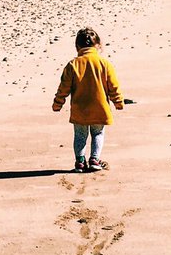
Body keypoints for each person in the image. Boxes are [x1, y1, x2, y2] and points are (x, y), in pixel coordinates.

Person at [52, 27, 124, 172]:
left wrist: (58, 103)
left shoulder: (73, 65)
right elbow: (113, 86)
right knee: (97, 133)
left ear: (77, 47)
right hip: (99, 108)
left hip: (80, 109)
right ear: (98, 46)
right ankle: (94, 159)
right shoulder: (105, 64)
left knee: (80, 135)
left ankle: (80, 161)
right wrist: (118, 102)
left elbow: (63, 88)